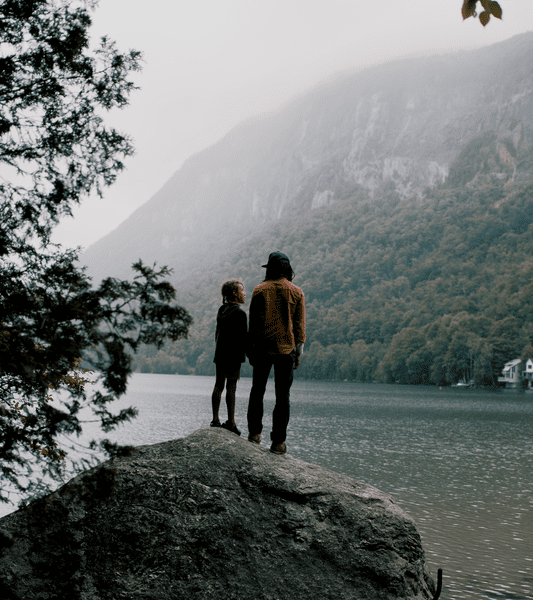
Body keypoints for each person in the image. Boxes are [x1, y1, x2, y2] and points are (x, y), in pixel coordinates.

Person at [246, 252, 305, 454]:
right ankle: (278, 443)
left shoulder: (260, 290)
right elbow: (299, 326)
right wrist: (298, 352)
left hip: (262, 348)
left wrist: (250, 350)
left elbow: (252, 324)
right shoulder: (297, 292)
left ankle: (254, 435)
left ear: (270, 268)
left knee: (257, 391)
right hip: (286, 350)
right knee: (283, 397)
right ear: (288, 269)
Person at [211, 279, 247, 435]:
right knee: (231, 387)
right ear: (235, 293)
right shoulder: (240, 313)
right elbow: (243, 338)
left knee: (218, 384)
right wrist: (247, 355)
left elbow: (217, 334)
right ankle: (231, 422)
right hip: (234, 355)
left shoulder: (221, 310)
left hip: (220, 354)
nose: (244, 293)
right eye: (242, 290)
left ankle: (215, 420)